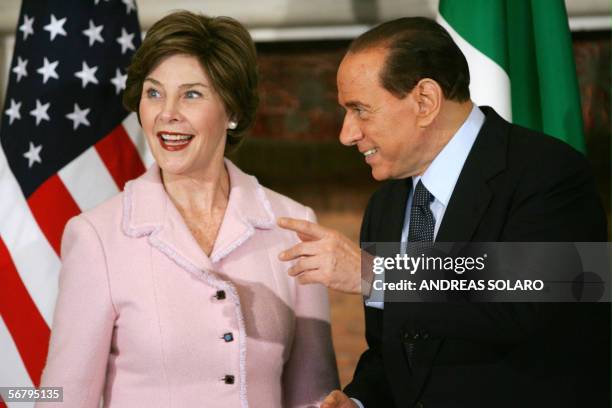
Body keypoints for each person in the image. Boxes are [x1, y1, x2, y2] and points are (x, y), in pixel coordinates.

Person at [277, 17, 609, 408]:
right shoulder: (386, 205)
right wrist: (361, 400)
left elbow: (528, 297)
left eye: (361, 110)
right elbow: (400, 351)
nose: (347, 133)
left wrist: (374, 274)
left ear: (425, 101)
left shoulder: (548, 170)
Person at [38, 11, 338, 408]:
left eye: (192, 94)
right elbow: (62, 397)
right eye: (154, 92)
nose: (167, 113)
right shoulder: (96, 236)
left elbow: (315, 394)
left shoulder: (294, 227)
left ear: (232, 112)